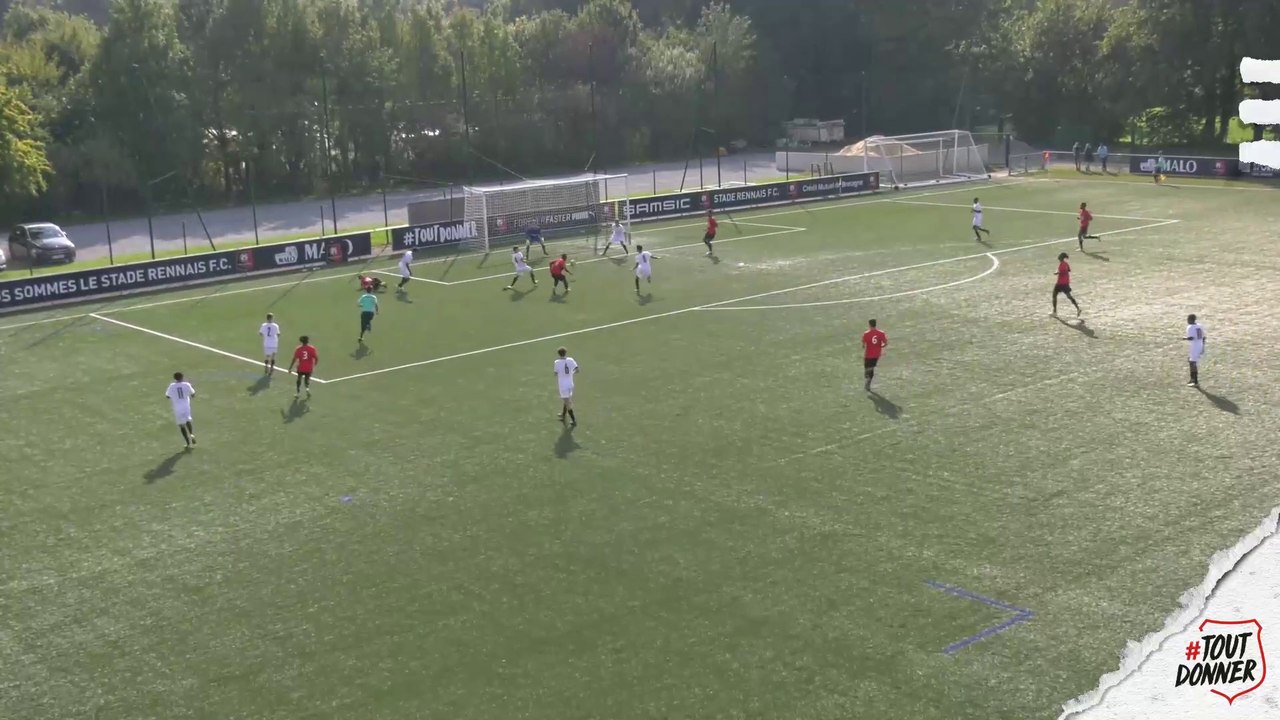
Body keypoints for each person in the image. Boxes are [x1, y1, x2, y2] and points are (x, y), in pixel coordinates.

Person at [165, 371, 197, 448]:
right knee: (188, 420)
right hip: (186, 406)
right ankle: (191, 434)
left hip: (177, 407)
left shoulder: (172, 386)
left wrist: (174, 396)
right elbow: (193, 394)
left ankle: (188, 443)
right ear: (182, 377)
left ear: (174, 378)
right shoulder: (186, 384)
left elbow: (167, 396)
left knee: (181, 425)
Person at [553, 346, 579, 426]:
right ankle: (563, 415)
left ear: (559, 354)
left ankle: (574, 420)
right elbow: (577, 369)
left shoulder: (557, 362)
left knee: (568, 403)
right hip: (570, 384)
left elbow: (555, 373)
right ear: (565, 353)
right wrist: (571, 373)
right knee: (566, 399)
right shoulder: (571, 360)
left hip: (563, 386)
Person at [861, 319, 887, 391]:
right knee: (871, 368)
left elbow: (863, 345)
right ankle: (868, 380)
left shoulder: (866, 333)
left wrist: (865, 345)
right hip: (876, 354)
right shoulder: (881, 333)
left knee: (867, 368)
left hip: (868, 354)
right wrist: (880, 346)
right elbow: (885, 343)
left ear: (869, 324)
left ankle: (868, 380)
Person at [1053, 252, 1081, 317]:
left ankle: (1054, 312)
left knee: (1054, 296)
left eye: (1059, 256)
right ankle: (1078, 308)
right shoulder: (1065, 264)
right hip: (1066, 283)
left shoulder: (1062, 264)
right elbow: (1068, 270)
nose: (1058, 257)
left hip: (1060, 283)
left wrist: (1056, 273)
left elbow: (1061, 272)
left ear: (1061, 258)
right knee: (1069, 296)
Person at [1185, 314, 1206, 387]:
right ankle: (1192, 379)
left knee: (1192, 363)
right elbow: (1204, 337)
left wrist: (1184, 338)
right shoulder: (1199, 326)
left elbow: (1191, 338)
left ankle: (1195, 381)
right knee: (1191, 361)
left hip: (1194, 347)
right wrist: (1203, 346)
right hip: (1199, 345)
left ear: (1190, 319)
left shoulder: (1190, 327)